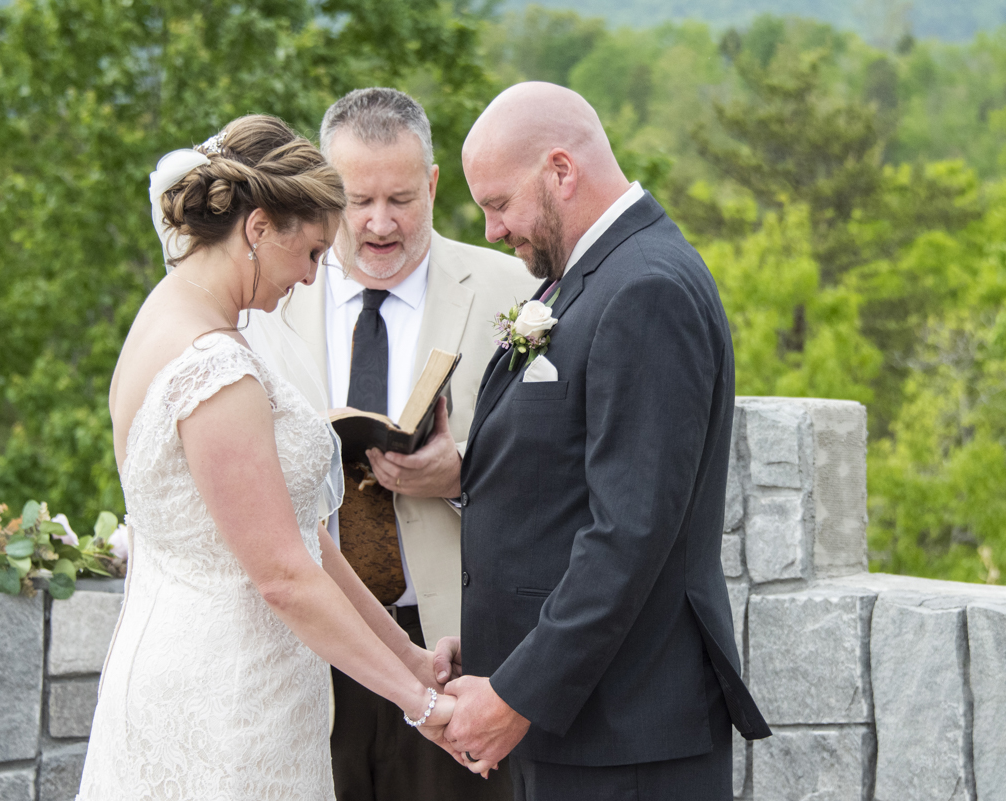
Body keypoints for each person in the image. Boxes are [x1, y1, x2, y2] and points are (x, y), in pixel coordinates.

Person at [76, 114, 462, 801]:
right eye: (312, 252)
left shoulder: (170, 316)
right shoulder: (213, 367)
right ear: (257, 229)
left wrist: (410, 659)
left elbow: (306, 542)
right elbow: (283, 574)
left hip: (206, 663)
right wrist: (420, 705)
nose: (315, 277)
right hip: (228, 692)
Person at [432, 82, 772, 799]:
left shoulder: (647, 288)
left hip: (627, 740)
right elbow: (554, 490)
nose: (492, 230)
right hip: (580, 726)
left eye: (498, 204)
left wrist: (517, 691)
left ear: (561, 170)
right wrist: (497, 634)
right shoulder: (582, 276)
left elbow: (630, 533)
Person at [273, 87, 536, 801]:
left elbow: (559, 469)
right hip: (308, 646)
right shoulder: (272, 296)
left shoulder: (511, 291)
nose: (379, 224)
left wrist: (462, 475)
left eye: (401, 199)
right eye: (358, 201)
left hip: (455, 647)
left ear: (433, 185)